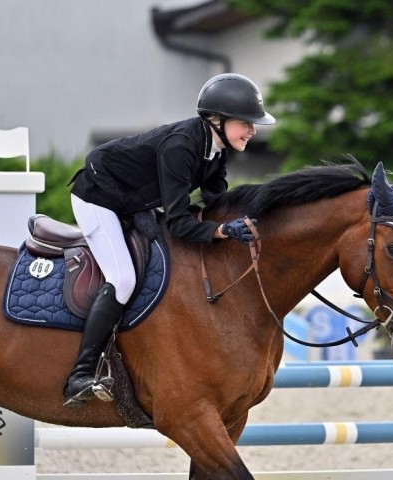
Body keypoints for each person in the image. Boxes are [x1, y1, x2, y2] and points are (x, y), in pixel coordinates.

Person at [63, 73, 276, 407]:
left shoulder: (216, 149)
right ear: (216, 120)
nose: (252, 130)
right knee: (122, 279)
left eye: (253, 124)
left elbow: (216, 200)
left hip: (133, 200)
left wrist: (251, 215)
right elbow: (178, 221)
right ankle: (80, 375)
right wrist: (221, 232)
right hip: (99, 197)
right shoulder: (182, 146)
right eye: (245, 123)